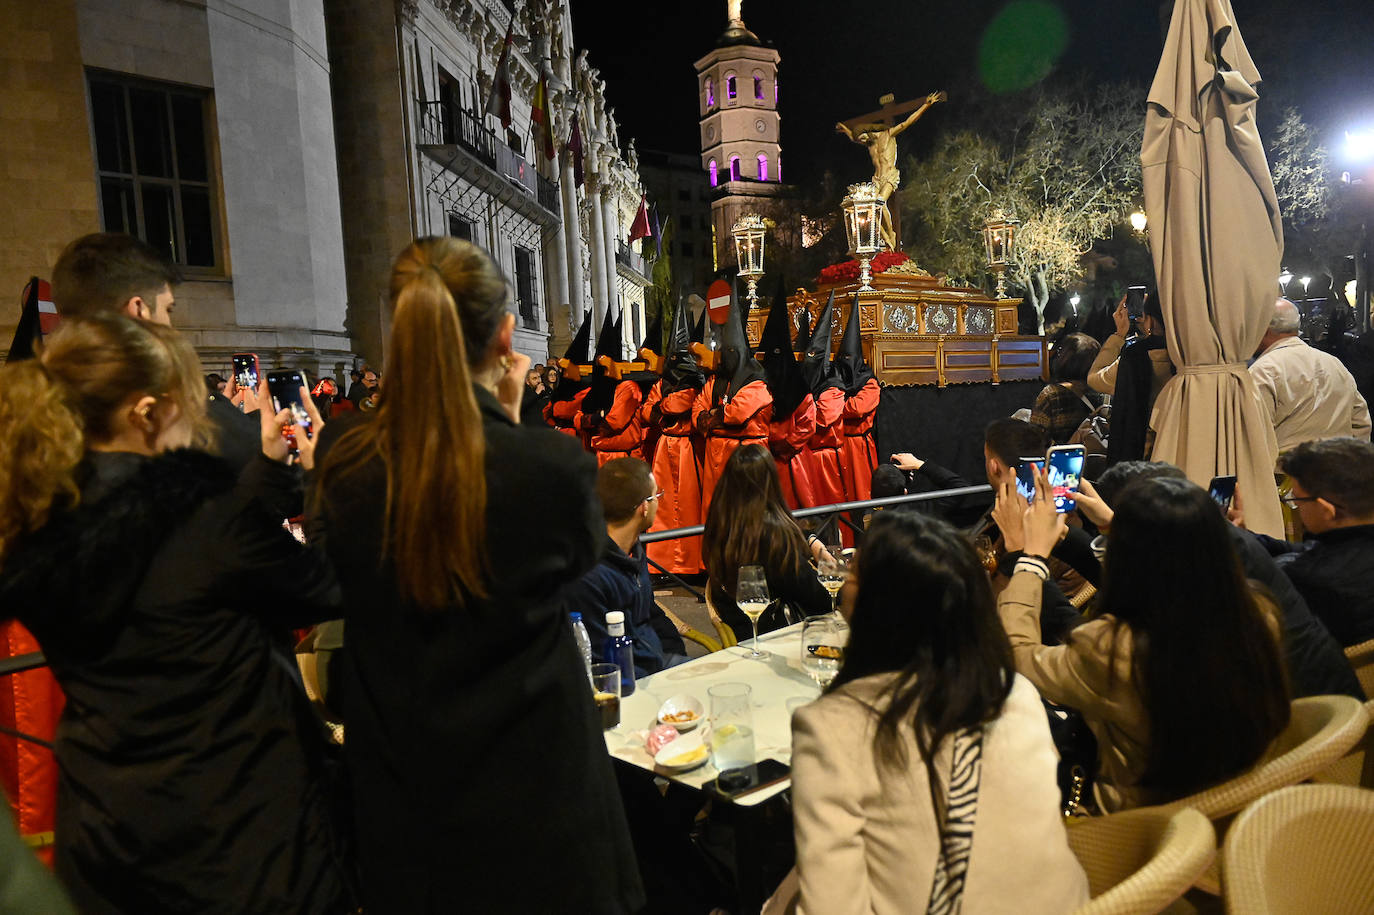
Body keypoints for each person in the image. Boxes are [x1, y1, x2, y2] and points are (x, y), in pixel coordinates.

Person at [312, 237, 643, 913]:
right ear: (503, 337)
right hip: (538, 796)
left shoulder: (343, 460)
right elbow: (581, 550)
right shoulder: (548, 467)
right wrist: (513, 424)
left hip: (407, 803)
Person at [0, 315, 354, 912]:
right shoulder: (201, 518)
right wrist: (321, 483)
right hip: (240, 829)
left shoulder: (38, 519)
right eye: (188, 405)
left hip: (113, 826)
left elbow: (193, 571)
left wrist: (269, 474)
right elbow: (327, 585)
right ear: (145, 414)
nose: (200, 421)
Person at [764, 511, 1088, 914]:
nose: (843, 578)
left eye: (853, 572)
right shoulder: (1014, 691)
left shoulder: (832, 728)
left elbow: (833, 906)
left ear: (879, 606)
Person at [999, 471, 1291, 811]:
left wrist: (1029, 558)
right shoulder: (1259, 612)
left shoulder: (1110, 647)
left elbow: (1018, 656)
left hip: (1138, 822)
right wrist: (1115, 527)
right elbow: (1171, 578)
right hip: (1241, 801)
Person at [1086, 461, 1363, 700]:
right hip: (1320, 708)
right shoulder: (1220, 547)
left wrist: (1114, 531)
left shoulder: (1193, 574)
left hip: (1289, 721)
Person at [561, 458, 689, 678]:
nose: (658, 502)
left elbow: (650, 613)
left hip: (658, 662)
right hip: (629, 680)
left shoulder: (632, 550)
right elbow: (600, 661)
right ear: (644, 507)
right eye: (656, 496)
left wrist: (677, 656)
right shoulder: (589, 576)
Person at [702, 445, 831, 642]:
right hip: (777, 636)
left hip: (738, 630)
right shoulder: (771, 536)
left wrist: (812, 540)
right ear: (771, 482)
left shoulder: (719, 523)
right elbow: (818, 598)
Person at [1256, 438, 1374, 648]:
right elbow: (1307, 550)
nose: (1296, 507)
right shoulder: (1351, 547)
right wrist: (1244, 536)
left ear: (1327, 510)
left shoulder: (1307, 579)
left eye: (1297, 499)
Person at [692, 278, 773, 518]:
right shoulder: (717, 380)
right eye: (725, 352)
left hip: (747, 459)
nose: (728, 357)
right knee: (716, 514)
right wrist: (712, 416)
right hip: (715, 457)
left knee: (746, 514)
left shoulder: (757, 381)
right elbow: (697, 407)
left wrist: (712, 415)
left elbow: (737, 413)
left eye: (732, 352)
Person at [1250, 298, 1371, 454]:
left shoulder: (1263, 371)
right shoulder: (1334, 363)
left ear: (1263, 329)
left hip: (1287, 466)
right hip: (1337, 463)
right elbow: (1360, 421)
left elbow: (1256, 435)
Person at [641, 302, 706, 576]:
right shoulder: (662, 383)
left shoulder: (696, 384)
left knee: (689, 505)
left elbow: (678, 404)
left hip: (687, 448)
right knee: (663, 505)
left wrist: (662, 407)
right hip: (665, 446)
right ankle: (664, 563)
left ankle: (690, 563)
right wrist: (662, 410)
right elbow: (647, 411)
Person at [1088, 291, 1173, 463]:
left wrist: (1119, 334)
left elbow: (1095, 378)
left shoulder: (1135, 358)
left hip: (1143, 453)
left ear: (1150, 319)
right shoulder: (1191, 359)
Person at [757, 276, 816, 509]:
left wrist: (786, 445)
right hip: (766, 458)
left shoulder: (798, 387)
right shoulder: (760, 384)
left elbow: (808, 423)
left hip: (793, 460)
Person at [800, 291, 846, 509]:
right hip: (807, 457)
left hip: (827, 461)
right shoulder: (808, 382)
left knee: (832, 509)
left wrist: (800, 408)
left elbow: (821, 419)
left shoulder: (833, 388)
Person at [834, 293, 881, 502]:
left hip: (859, 446)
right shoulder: (837, 378)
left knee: (862, 492)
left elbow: (856, 408)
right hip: (840, 444)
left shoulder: (869, 382)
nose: (846, 362)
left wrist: (836, 404)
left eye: (849, 358)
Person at [1030, 332, 1102, 445]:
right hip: (1095, 454)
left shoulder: (1051, 395)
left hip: (1060, 455)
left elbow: (1036, 439)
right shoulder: (1102, 392)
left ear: (1064, 358)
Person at [545, 311, 593, 438]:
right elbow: (548, 413)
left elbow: (567, 410)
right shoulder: (562, 387)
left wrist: (556, 409)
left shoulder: (586, 389)